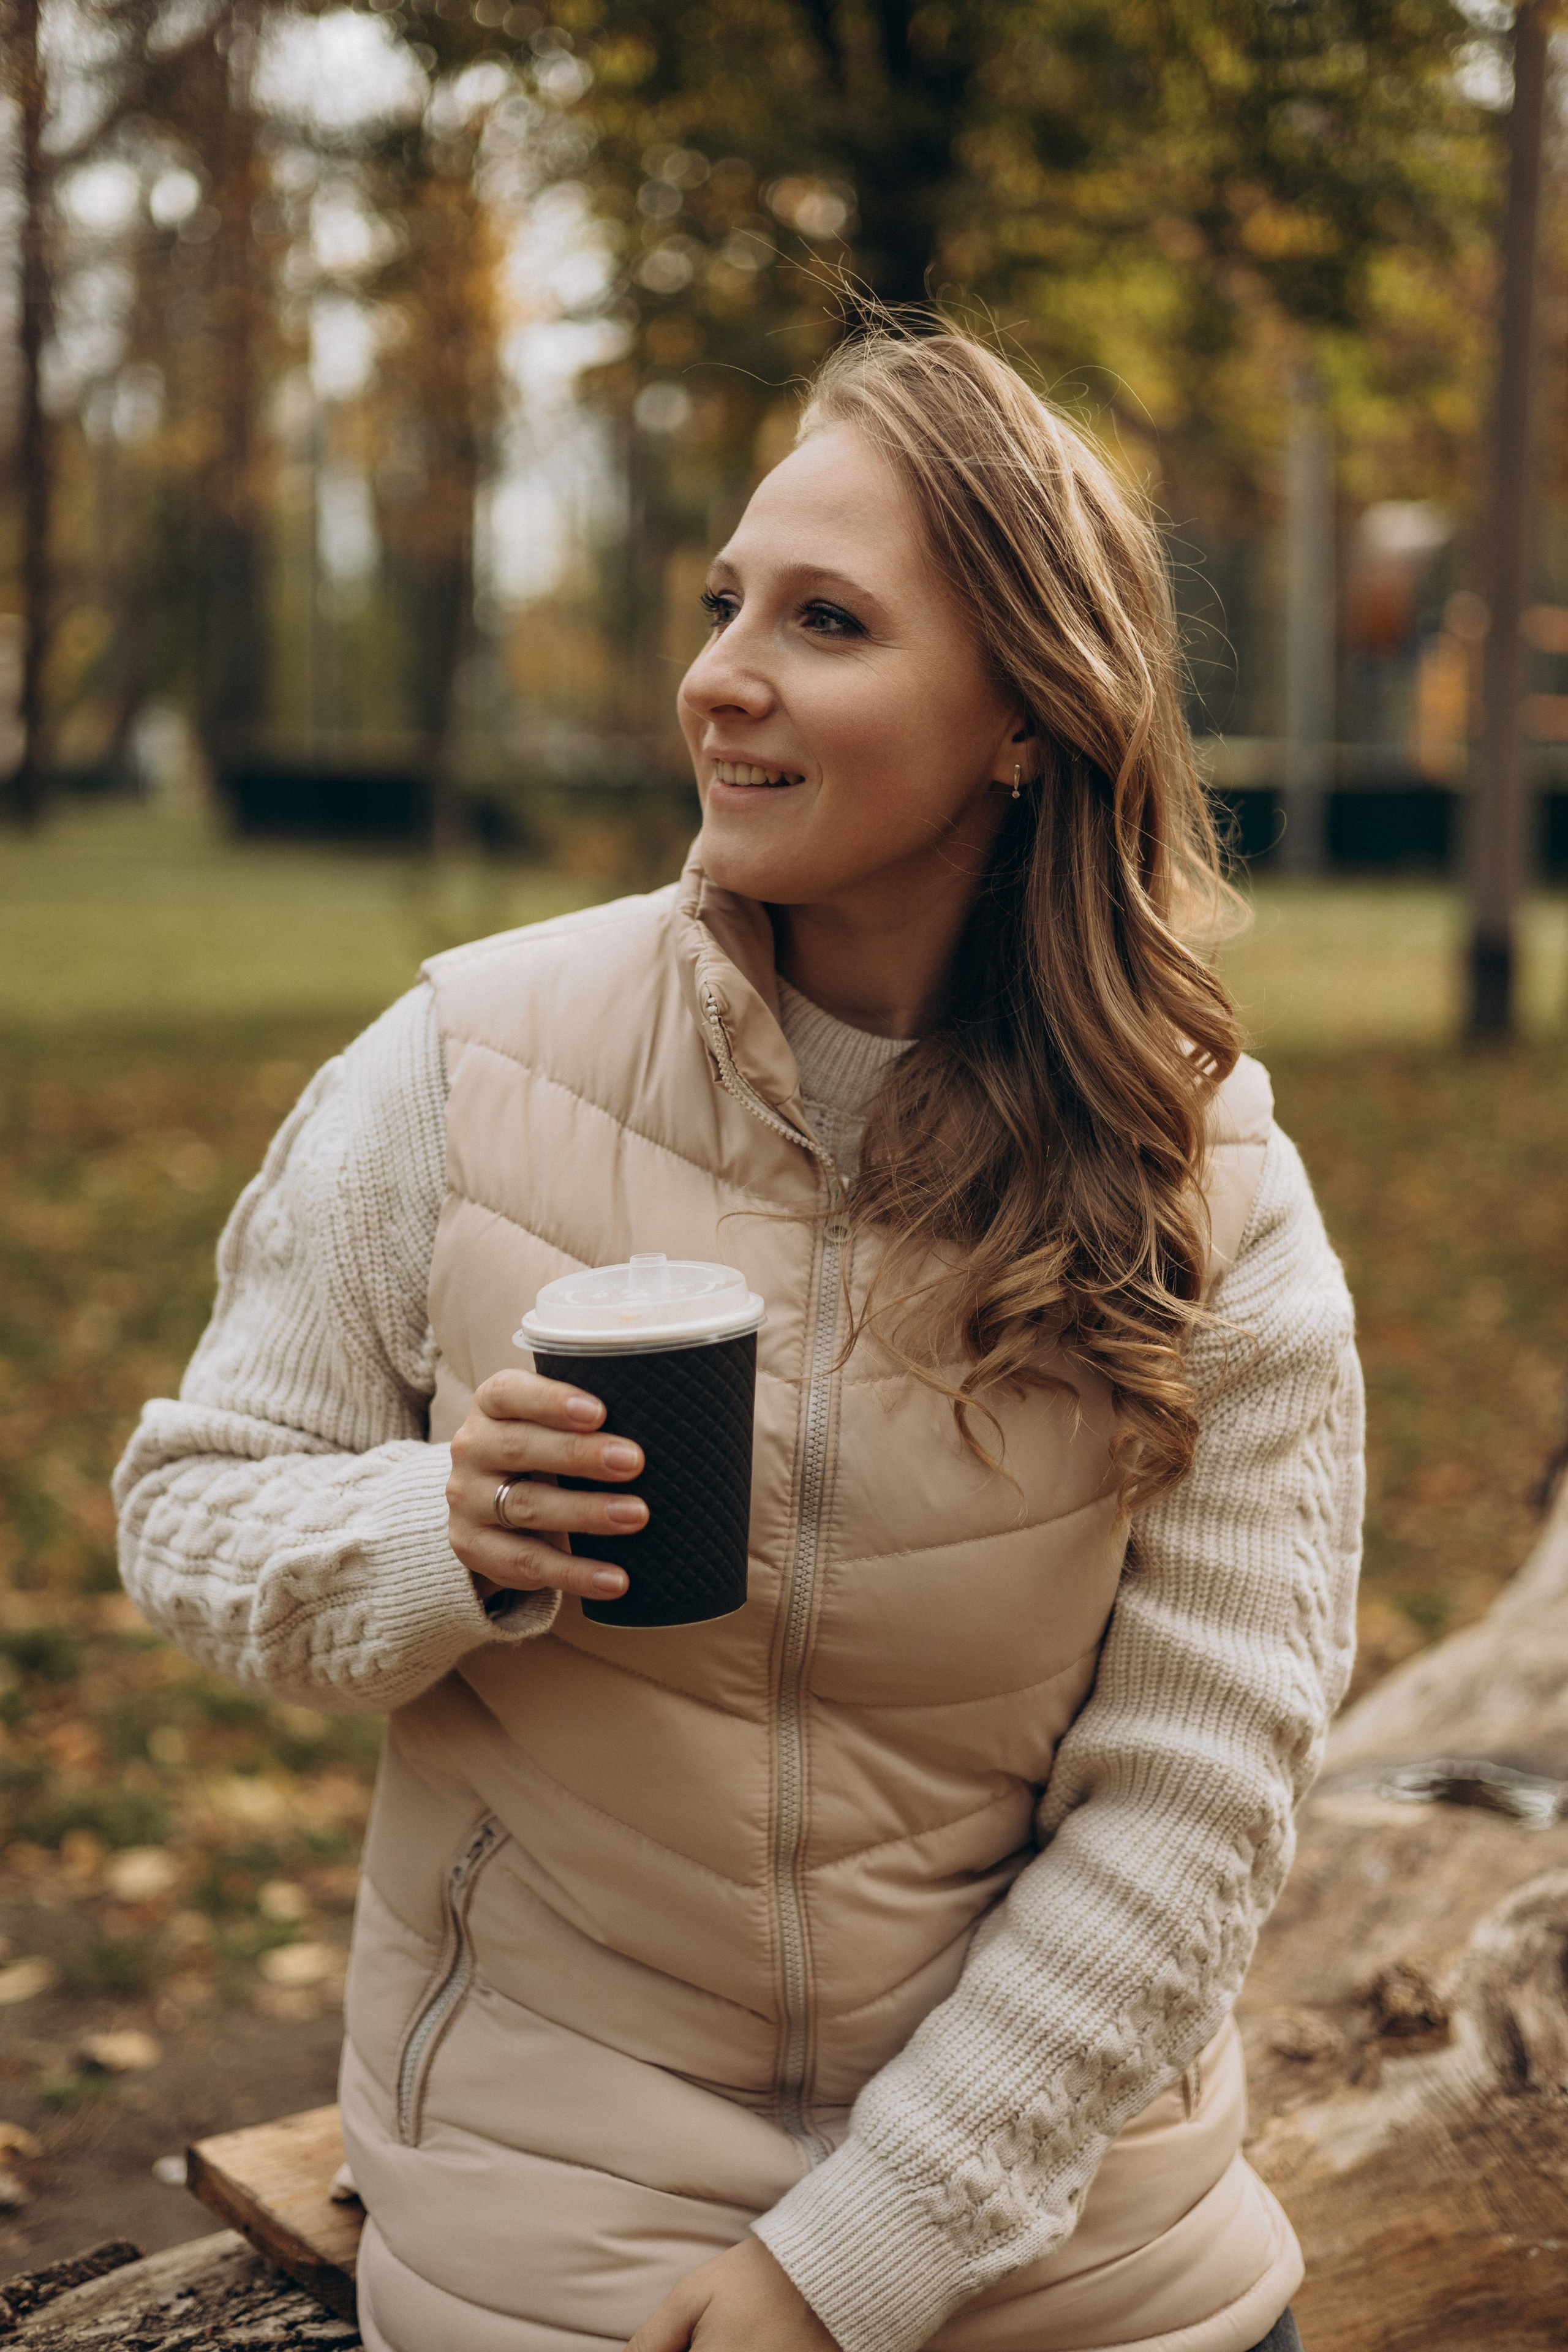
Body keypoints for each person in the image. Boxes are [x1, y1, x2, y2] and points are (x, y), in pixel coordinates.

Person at [115, 327, 1360, 2352]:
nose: (719, 675)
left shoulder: (1203, 1173)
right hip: (557, 2224)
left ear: (1026, 721)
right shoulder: (467, 1055)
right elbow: (193, 1515)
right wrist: (442, 1533)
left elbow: (1203, 1793)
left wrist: (845, 2265)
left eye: (829, 621)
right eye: (726, 605)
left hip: (1076, 2253)